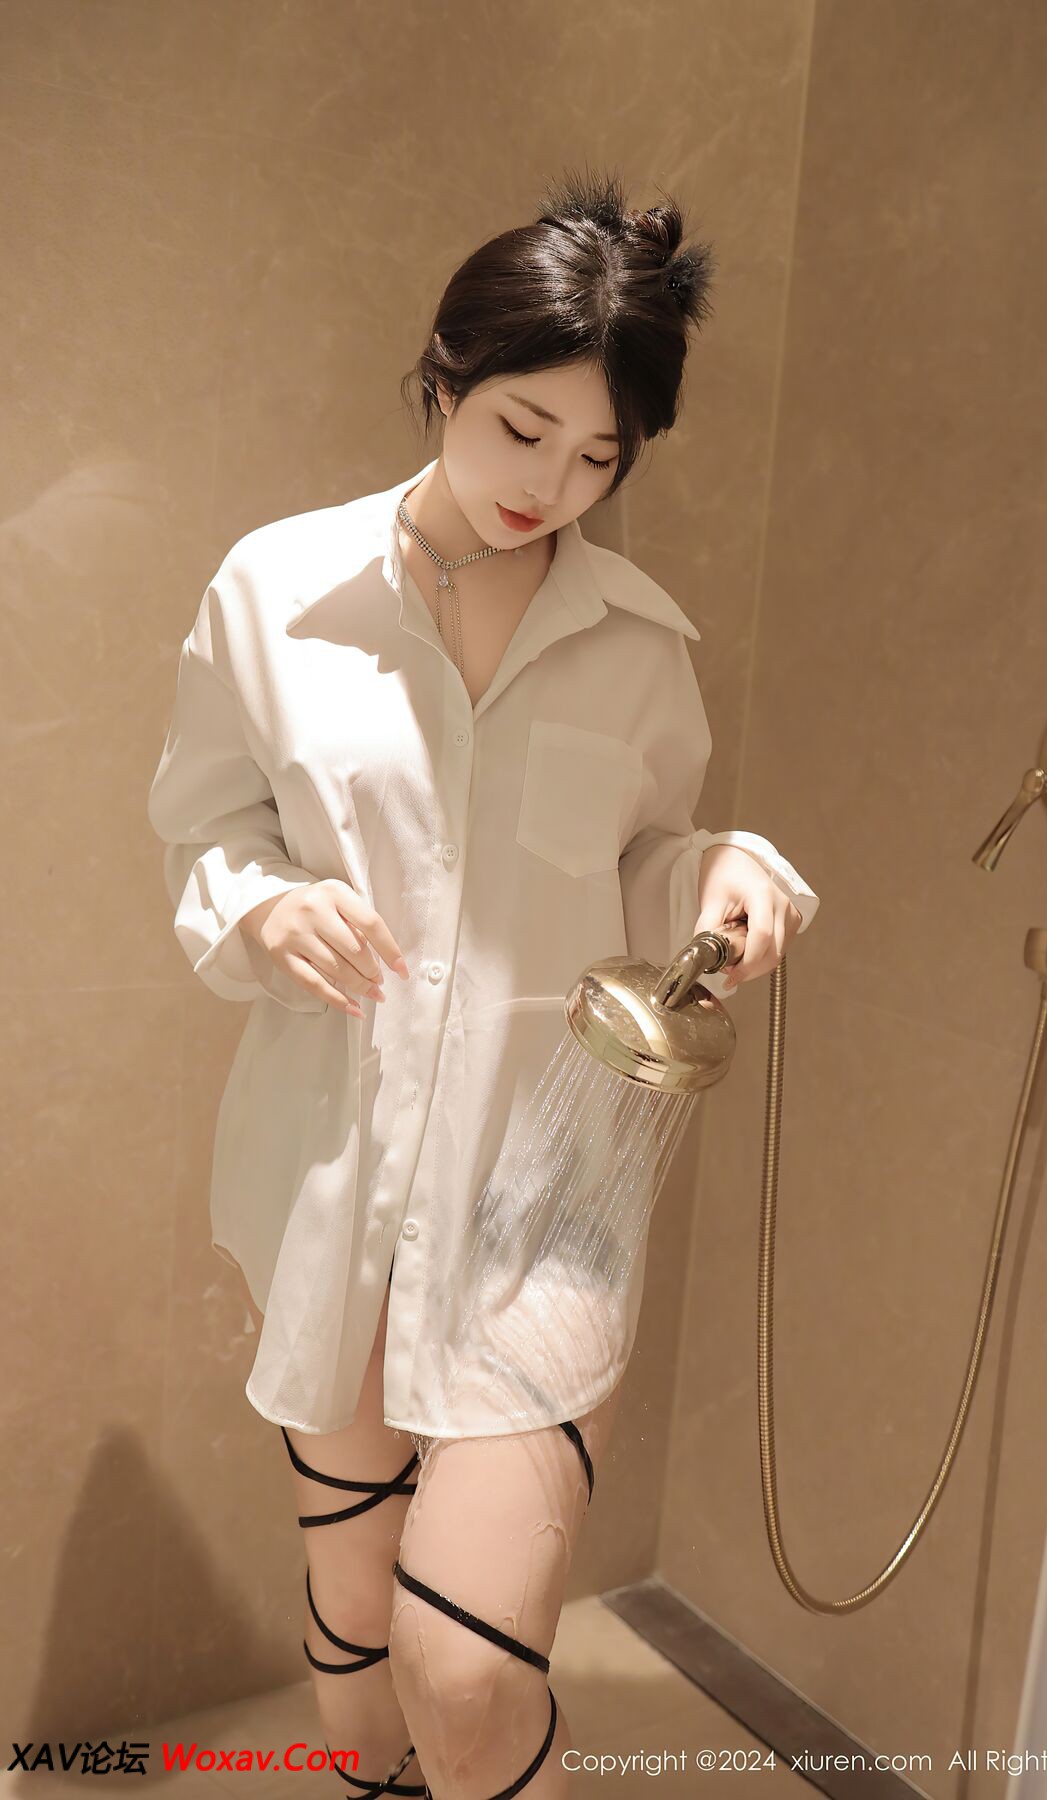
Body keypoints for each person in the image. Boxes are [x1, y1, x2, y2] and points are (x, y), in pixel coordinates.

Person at [147, 167, 815, 1800]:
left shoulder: (637, 643)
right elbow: (205, 828)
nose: (551, 486)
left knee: (463, 1671)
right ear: (445, 374)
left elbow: (644, 856)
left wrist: (726, 873)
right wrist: (265, 909)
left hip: (546, 1197)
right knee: (356, 1655)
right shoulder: (278, 596)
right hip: (338, 1175)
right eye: (524, 429)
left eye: (599, 456)